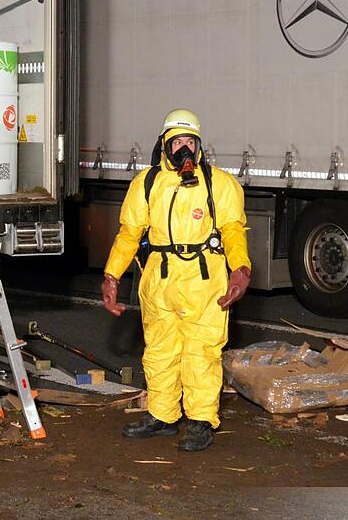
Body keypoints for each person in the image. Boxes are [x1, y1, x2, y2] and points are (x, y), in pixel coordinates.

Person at [101, 109, 251, 452]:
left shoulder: (220, 183)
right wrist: (112, 275)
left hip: (204, 280)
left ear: (199, 146)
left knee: (201, 353)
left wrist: (240, 270)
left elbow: (232, 230)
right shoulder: (147, 183)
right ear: (165, 145)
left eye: (190, 141)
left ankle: (200, 421)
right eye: (177, 141)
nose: (184, 147)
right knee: (159, 351)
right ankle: (162, 416)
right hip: (159, 279)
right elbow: (129, 233)